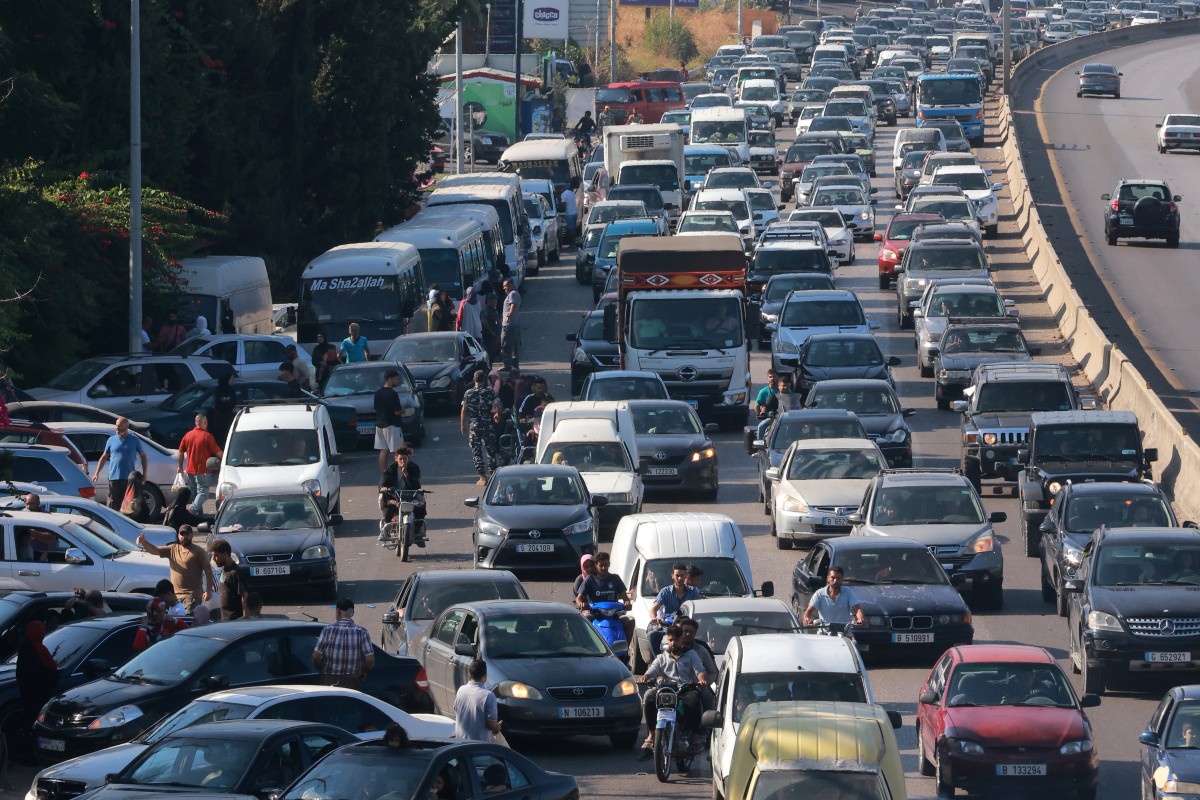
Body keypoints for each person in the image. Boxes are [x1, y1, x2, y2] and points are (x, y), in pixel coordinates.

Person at [636, 624, 707, 761]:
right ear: (667, 641)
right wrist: (646, 676)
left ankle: (693, 735)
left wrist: (702, 679)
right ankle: (652, 735)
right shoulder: (662, 657)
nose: (673, 643)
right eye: (670, 640)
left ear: (681, 640)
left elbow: (700, 670)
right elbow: (653, 669)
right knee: (650, 698)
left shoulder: (691, 654)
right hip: (666, 690)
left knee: (693, 701)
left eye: (676, 640)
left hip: (685, 690)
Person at [137, 525, 217, 613]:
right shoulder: (173, 549)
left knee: (186, 621)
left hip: (192, 596)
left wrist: (208, 591)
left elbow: (208, 570)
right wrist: (144, 542)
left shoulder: (199, 551)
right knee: (176, 621)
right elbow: (155, 550)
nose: (184, 537)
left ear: (191, 535)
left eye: (187, 534)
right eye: (182, 534)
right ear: (178, 535)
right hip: (175, 597)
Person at [15, 620, 58, 755]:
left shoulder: (27, 648)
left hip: (29, 694)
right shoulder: (36, 650)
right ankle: (29, 753)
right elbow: (46, 671)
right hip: (37, 695)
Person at [312, 598, 375, 689]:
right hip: (351, 682)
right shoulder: (362, 632)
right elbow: (370, 660)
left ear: (337, 611)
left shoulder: (327, 630)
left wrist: (321, 669)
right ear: (352, 613)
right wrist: (363, 672)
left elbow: (315, 657)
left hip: (329, 681)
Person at [576, 551, 635, 646]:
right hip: (595, 615)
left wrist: (627, 603)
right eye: (601, 565)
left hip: (614, 615)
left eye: (606, 565)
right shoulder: (590, 579)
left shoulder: (615, 579)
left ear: (609, 564)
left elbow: (625, 598)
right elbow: (579, 598)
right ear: (596, 565)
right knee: (584, 621)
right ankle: (587, 648)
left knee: (630, 621)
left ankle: (625, 648)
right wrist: (581, 604)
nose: (604, 568)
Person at [92, 417, 149, 511]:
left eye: (120, 427)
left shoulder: (134, 440)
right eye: (117, 426)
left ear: (126, 427)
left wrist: (145, 474)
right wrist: (96, 473)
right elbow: (104, 457)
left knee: (127, 504)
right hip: (114, 477)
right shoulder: (111, 440)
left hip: (128, 478)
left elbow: (143, 456)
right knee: (112, 503)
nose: (117, 429)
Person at [647, 562, 702, 656]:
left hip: (687, 629)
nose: (680, 578)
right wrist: (653, 618)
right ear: (672, 576)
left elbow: (700, 608)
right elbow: (653, 609)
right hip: (669, 628)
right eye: (677, 575)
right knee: (652, 636)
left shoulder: (693, 591)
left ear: (685, 576)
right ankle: (658, 662)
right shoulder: (665, 592)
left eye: (682, 575)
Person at [379, 445, 426, 545]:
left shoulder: (414, 468)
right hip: (394, 497)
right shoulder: (390, 469)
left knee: (421, 504)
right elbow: (382, 484)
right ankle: (385, 528)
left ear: (408, 458)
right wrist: (384, 489)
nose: (403, 461)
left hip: (410, 497)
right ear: (396, 458)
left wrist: (406, 473)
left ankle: (418, 531)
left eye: (405, 459)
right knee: (386, 503)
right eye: (400, 459)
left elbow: (416, 485)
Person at [177, 414, 223, 516]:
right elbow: (217, 452)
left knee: (195, 495)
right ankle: (191, 510)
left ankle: (197, 515)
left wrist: (180, 467)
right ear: (205, 423)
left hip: (190, 471)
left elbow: (180, 452)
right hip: (203, 471)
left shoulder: (187, 435)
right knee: (203, 493)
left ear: (195, 423)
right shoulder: (207, 436)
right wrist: (226, 459)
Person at [461, 370, 500, 485]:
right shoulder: (489, 391)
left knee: (476, 450)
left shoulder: (468, 393)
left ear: (474, 380)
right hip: (488, 423)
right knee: (490, 449)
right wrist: (497, 414)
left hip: (474, 424)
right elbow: (498, 405)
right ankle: (493, 473)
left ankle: (482, 476)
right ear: (484, 379)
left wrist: (463, 425)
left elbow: (464, 410)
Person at [802, 565, 866, 629]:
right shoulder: (819, 594)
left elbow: (857, 609)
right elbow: (808, 611)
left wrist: (861, 619)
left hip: (844, 633)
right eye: (833, 578)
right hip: (825, 634)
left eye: (838, 578)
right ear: (828, 578)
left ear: (842, 579)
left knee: (852, 639)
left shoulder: (848, 592)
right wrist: (807, 619)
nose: (835, 581)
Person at [453, 658, 502, 741]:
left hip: (460, 743)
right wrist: (497, 727)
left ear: (469, 674)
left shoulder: (461, 690)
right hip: (478, 748)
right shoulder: (489, 695)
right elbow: (491, 725)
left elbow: (456, 709)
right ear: (485, 675)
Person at [374, 369, 407, 474]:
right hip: (392, 425)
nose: (397, 381)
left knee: (383, 450)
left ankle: (384, 474)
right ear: (390, 379)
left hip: (380, 425)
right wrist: (403, 410)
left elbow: (375, 409)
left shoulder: (378, 393)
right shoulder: (392, 394)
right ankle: (399, 474)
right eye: (396, 379)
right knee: (398, 451)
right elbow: (397, 412)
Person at [209, 538, 247, 621]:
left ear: (225, 554)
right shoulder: (223, 569)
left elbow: (244, 596)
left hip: (235, 620)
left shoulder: (236, 572)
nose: (214, 559)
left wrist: (245, 619)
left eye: (216, 555)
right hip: (225, 619)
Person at [208, 372, 238, 444]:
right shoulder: (217, 391)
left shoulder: (232, 390)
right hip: (219, 421)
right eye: (231, 379)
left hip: (229, 420)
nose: (233, 381)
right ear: (226, 380)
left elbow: (234, 403)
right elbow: (216, 404)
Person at [501, 278, 521, 370]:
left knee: (505, 345)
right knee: (513, 346)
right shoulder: (515, 293)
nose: (504, 288)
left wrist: (508, 315)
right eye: (503, 286)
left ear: (512, 284)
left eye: (506, 285)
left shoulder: (512, 294)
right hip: (514, 324)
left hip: (509, 325)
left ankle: (507, 365)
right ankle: (514, 365)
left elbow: (513, 305)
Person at [480, 294, 502, 362]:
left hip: (495, 336)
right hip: (489, 336)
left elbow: (496, 320)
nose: (494, 303)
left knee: (494, 354)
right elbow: (484, 322)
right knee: (489, 355)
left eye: (495, 301)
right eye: (492, 301)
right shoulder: (486, 310)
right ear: (488, 301)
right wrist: (492, 332)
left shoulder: (493, 310)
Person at [561, 177, 579, 242]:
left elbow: (563, 205)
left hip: (569, 214)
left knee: (570, 229)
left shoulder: (563, 194)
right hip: (574, 213)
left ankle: (572, 243)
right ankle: (574, 241)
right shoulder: (571, 193)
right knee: (573, 228)